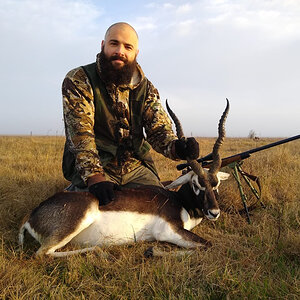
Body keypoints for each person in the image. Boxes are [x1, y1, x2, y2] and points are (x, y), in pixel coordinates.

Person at [62, 22, 199, 205]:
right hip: (98, 166)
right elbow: (81, 135)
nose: (120, 51)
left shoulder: (146, 88)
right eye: (114, 44)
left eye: (128, 47)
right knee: (95, 208)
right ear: (103, 45)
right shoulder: (79, 79)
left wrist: (177, 148)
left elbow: (158, 131)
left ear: (136, 53)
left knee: (163, 205)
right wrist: (95, 179)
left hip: (135, 166)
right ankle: (77, 190)